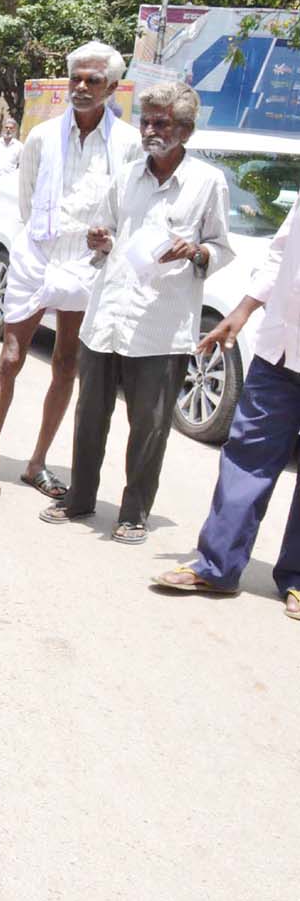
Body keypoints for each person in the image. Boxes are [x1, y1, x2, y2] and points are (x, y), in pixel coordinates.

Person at [41, 82, 233, 544]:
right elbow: (107, 236)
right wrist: (99, 241)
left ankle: (133, 512)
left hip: (159, 326)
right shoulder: (127, 175)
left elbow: (222, 248)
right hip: (107, 316)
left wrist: (197, 251)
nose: (149, 130)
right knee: (90, 415)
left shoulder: (207, 183)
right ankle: (80, 498)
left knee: (148, 427)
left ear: (185, 129)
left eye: (160, 122)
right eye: (146, 120)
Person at [0, 42, 141, 500]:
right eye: (77, 79)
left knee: (67, 363)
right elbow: (27, 202)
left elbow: (127, 207)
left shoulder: (128, 144)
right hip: (39, 253)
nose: (82, 87)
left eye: (92, 81)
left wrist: (104, 241)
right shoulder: (43, 137)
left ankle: (36, 463)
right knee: (11, 355)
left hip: (88, 262)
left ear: (110, 87)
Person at [152, 200, 300, 618]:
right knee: (246, 455)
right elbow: (280, 254)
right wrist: (242, 310)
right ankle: (217, 566)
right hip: (278, 350)